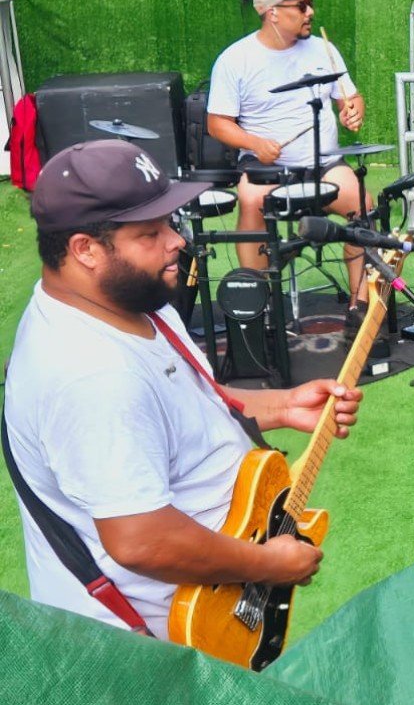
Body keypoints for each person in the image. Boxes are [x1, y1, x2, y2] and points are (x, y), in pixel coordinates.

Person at [2, 141, 360, 637]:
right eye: (150, 233)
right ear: (85, 249)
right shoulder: (91, 375)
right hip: (154, 648)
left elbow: (185, 402)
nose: (176, 242)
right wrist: (267, 565)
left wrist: (283, 405)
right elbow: (143, 541)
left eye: (170, 224)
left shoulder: (130, 301)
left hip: (212, 605)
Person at [206, 0, 374, 336]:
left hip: (324, 162)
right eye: (301, 5)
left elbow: (349, 95)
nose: (310, 11)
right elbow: (217, 124)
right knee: (250, 199)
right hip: (268, 165)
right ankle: (254, 304)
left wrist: (352, 108)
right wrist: (254, 144)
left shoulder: (324, 48)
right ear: (273, 12)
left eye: (310, 3)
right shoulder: (235, 59)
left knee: (367, 208)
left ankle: (360, 305)